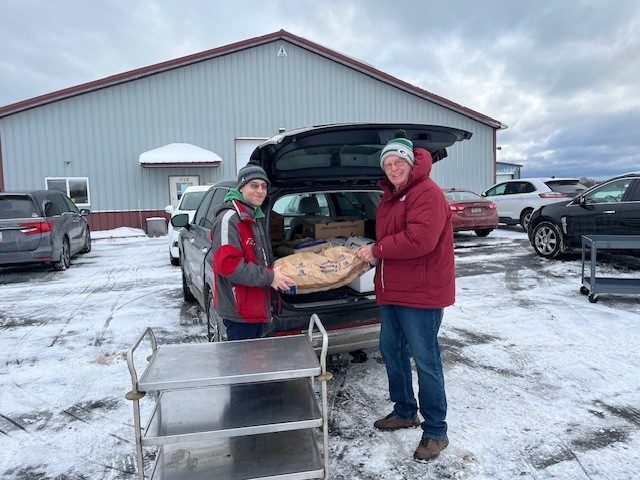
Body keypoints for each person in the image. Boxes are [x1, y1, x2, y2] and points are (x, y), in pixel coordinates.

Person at [357, 130, 453, 462]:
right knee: (391, 350)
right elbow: (391, 236)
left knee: (426, 360)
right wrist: (369, 251)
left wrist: (377, 249)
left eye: (399, 162)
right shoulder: (393, 195)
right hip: (393, 288)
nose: (394, 168)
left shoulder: (426, 192)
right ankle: (405, 410)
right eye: (388, 163)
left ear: (411, 163)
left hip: (421, 292)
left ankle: (436, 431)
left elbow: (419, 240)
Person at [211, 163, 295, 341]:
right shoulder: (230, 219)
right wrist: (270, 277)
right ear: (241, 187)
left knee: (256, 363)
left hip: (256, 306)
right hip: (240, 311)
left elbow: (259, 258)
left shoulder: (253, 216)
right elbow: (228, 265)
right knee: (243, 365)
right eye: (254, 185)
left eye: (264, 186)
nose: (260, 190)